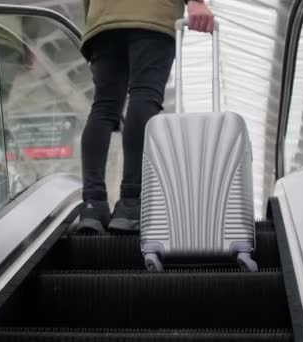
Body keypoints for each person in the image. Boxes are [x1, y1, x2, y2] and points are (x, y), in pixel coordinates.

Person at [77, 0, 215, 233]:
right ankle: (131, 202)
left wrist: (94, 18)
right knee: (144, 95)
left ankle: (92, 205)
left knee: (103, 107)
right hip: (152, 14)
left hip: (102, 19)